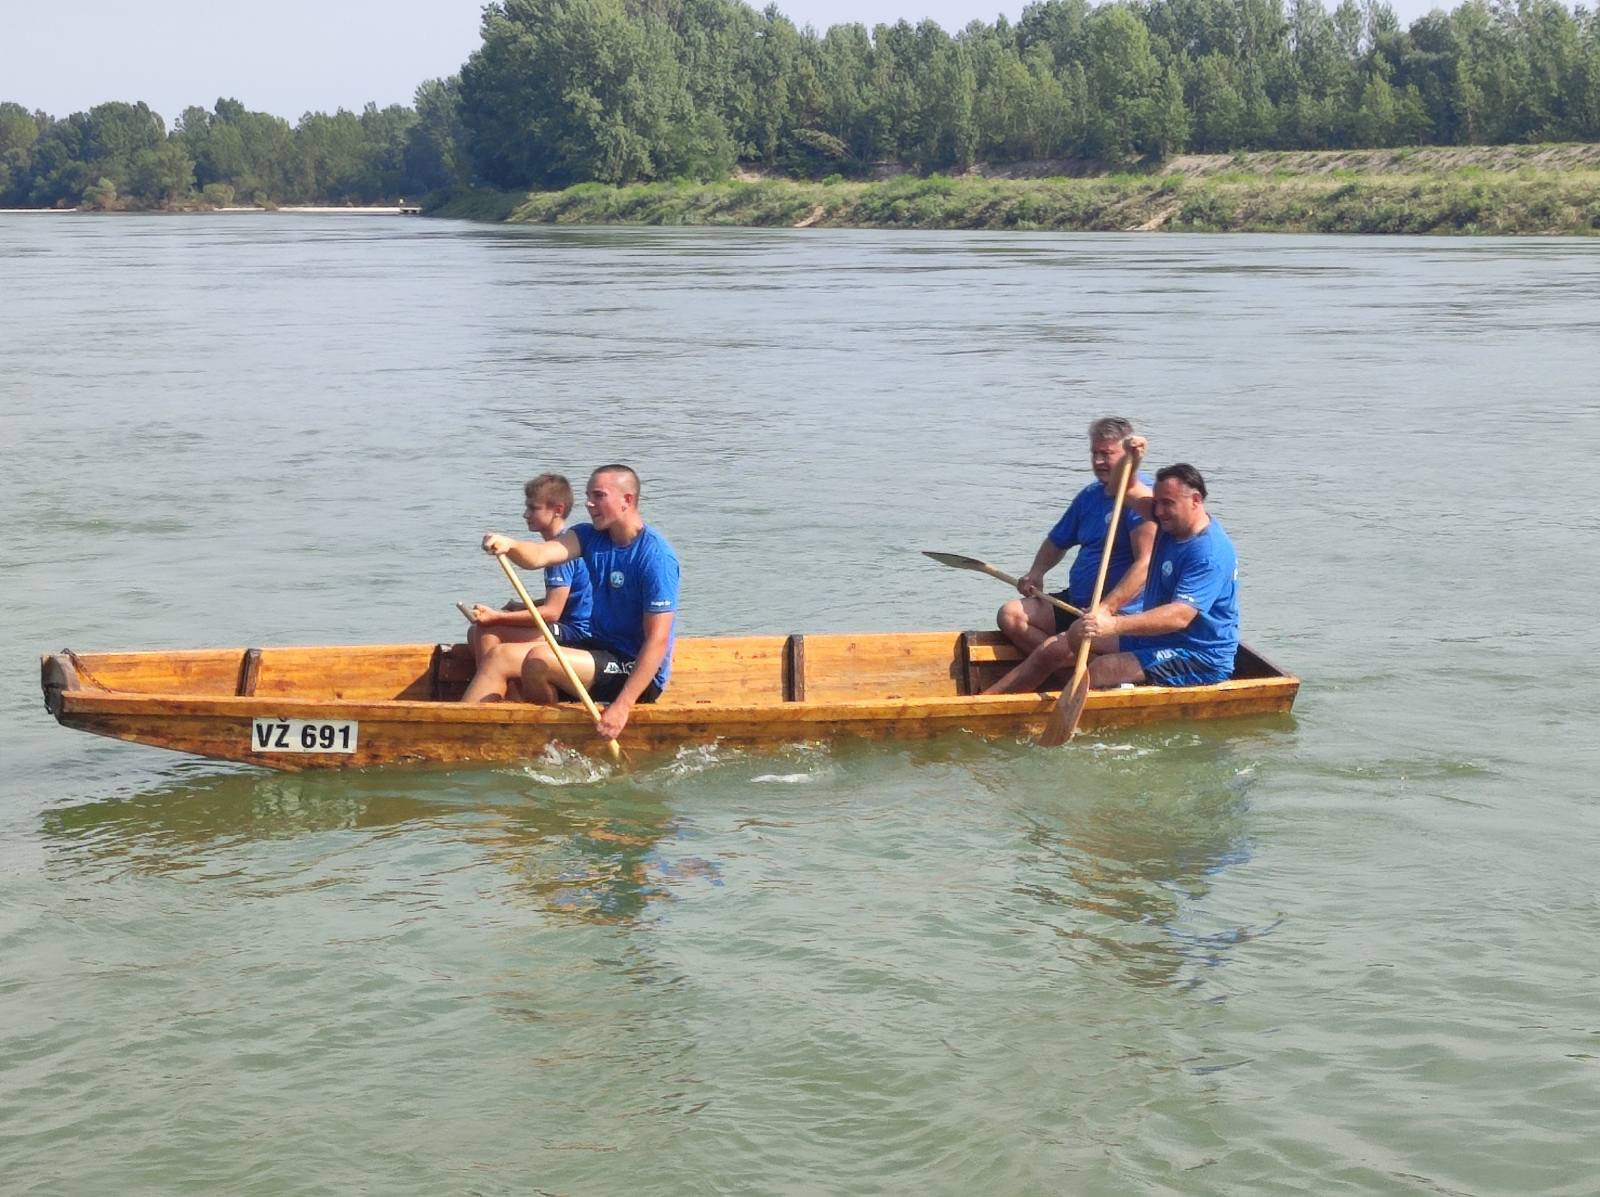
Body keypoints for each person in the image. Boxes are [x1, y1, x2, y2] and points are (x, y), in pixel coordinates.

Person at [477, 464, 679, 740]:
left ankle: (553, 741)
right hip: (598, 648)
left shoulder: (655, 557)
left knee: (538, 660)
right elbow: (538, 556)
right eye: (587, 495)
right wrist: (510, 545)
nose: (588, 503)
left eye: (598, 496)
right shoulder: (589, 535)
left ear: (627, 501)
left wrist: (622, 706)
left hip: (635, 668)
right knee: (501, 656)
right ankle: (467, 731)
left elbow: (657, 641)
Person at [985, 417, 1155, 693]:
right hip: (1077, 603)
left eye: (1107, 454)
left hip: (1117, 614)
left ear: (1127, 456)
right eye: (1095, 453)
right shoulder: (1090, 496)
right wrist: (1037, 572)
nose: (1099, 461)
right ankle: (1074, 674)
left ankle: (1064, 666)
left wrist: (1106, 609)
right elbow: (1057, 541)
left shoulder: (1141, 500)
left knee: (1051, 648)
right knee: (1011, 615)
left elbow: (1145, 564)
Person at [1069, 458, 1239, 689]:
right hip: (1159, 638)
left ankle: (1107, 692)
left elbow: (1180, 615)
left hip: (1199, 655)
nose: (1158, 512)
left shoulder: (1210, 552)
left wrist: (1114, 625)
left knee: (1104, 668)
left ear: (1196, 501)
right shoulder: (1168, 522)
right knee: (1077, 633)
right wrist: (1134, 455)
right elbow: (1119, 486)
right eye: (1156, 502)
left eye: (1167, 503)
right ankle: (1118, 687)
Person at [459, 474, 593, 703]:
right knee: (477, 632)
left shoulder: (559, 552)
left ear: (557, 510)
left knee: (487, 631)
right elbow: (568, 598)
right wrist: (520, 606)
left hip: (576, 634)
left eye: (533, 508)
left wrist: (497, 617)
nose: (526, 514)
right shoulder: (563, 544)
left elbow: (553, 612)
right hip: (567, 624)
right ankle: (504, 691)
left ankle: (506, 699)